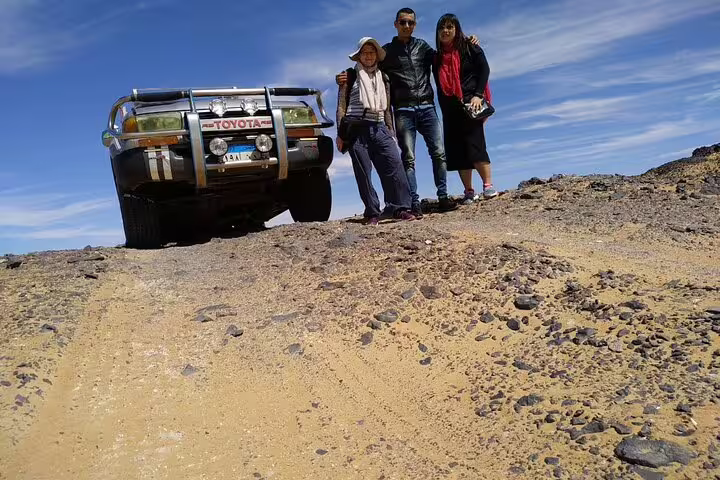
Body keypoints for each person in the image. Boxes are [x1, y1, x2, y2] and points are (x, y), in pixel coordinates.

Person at [337, 8, 478, 217]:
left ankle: (443, 197)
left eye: (410, 23)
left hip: (427, 106)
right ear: (396, 24)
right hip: (403, 109)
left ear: (414, 25)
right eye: (402, 22)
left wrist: (466, 42)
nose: (406, 26)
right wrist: (344, 77)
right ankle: (413, 202)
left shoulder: (422, 47)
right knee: (408, 158)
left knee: (439, 153)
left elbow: (446, 56)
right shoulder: (386, 51)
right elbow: (366, 68)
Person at [336, 37, 415, 225]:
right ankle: (372, 212)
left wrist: (391, 130)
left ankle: (400, 208)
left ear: (377, 56)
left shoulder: (383, 77)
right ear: (358, 56)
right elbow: (341, 107)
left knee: (394, 165)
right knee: (363, 172)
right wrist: (340, 134)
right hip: (355, 129)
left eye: (372, 52)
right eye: (365, 52)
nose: (369, 56)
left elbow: (387, 108)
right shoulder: (349, 76)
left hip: (380, 127)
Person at [434, 13, 498, 204]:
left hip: (471, 102)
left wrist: (479, 94)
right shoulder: (436, 58)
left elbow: (484, 69)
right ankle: (469, 191)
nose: (445, 31)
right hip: (450, 108)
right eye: (442, 28)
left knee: (475, 143)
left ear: (456, 29)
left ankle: (488, 186)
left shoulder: (470, 47)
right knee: (458, 150)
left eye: (450, 27)